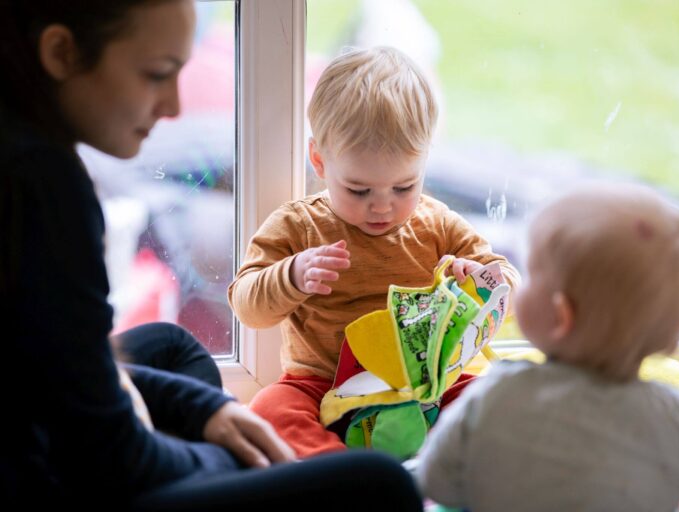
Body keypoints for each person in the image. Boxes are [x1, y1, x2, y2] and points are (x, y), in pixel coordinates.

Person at [0, 1, 424, 510]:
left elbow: (60, 370)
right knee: (382, 483)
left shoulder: (26, 145)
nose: (175, 105)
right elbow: (112, 457)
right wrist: (247, 464)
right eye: (157, 74)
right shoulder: (41, 185)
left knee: (172, 348)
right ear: (61, 52)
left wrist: (205, 411)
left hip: (58, 431)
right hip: (53, 481)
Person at [228, 46, 521, 458]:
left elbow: (508, 285)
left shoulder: (436, 223)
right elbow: (247, 306)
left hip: (425, 384)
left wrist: (481, 279)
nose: (382, 205)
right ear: (320, 161)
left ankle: (434, 466)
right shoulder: (297, 225)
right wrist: (291, 276)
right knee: (269, 412)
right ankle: (344, 472)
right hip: (320, 385)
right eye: (359, 190)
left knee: (495, 399)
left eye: (404, 187)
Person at [416, 184, 679, 511]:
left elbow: (436, 482)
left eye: (533, 274)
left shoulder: (497, 393)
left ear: (560, 315)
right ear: (672, 339)